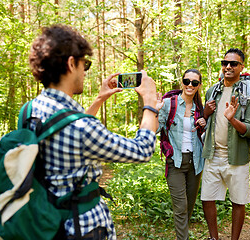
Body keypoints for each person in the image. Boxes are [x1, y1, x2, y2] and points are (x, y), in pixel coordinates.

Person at [28, 24, 159, 240]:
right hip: (82, 228)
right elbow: (142, 150)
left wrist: (99, 99)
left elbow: (66, 127)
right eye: (84, 64)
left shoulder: (31, 110)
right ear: (71, 64)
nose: (85, 72)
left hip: (45, 222)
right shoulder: (80, 128)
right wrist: (150, 101)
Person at [201, 48, 250, 240]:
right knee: (207, 198)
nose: (228, 67)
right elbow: (205, 122)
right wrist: (206, 113)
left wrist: (233, 120)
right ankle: (214, 238)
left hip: (236, 157)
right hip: (212, 154)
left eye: (233, 64)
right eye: (225, 63)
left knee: (238, 201)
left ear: (241, 67)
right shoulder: (212, 91)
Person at [156, 69, 206, 240]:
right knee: (180, 207)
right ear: (182, 82)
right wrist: (155, 110)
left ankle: (182, 235)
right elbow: (156, 128)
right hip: (175, 162)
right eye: (187, 81)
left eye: (194, 83)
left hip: (196, 162)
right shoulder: (169, 103)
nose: (190, 85)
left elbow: (206, 136)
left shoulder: (201, 107)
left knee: (189, 207)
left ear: (199, 85)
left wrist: (204, 123)